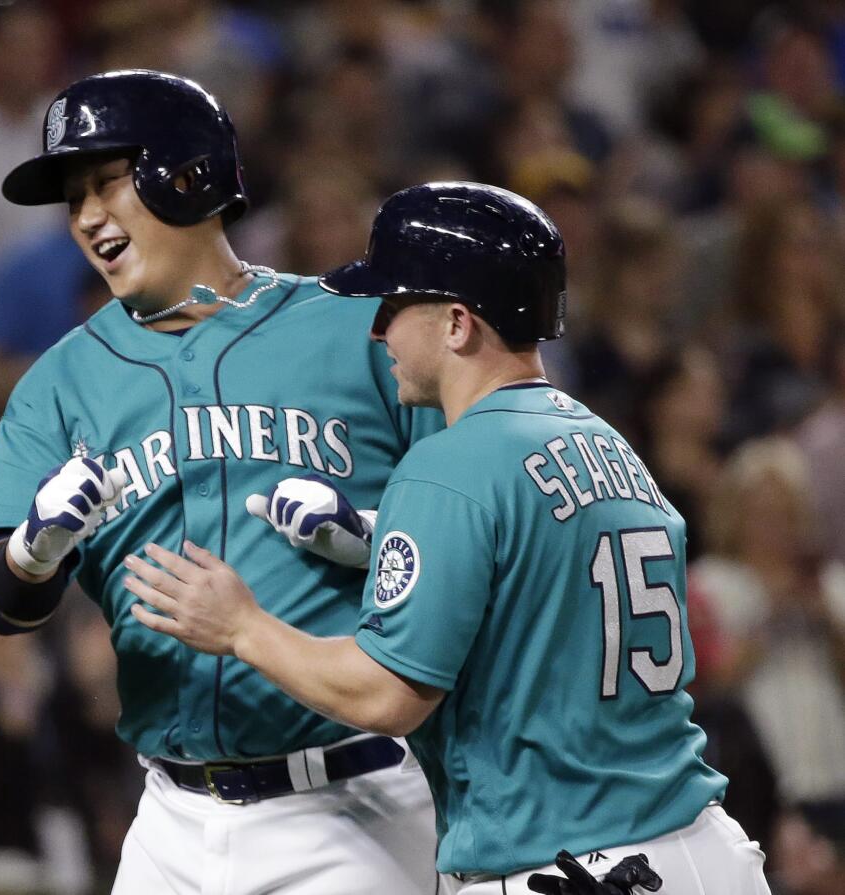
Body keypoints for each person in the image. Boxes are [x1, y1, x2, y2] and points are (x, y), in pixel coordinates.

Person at [123, 182, 772, 894]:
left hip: (571, 863)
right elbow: (533, 589)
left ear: (458, 323)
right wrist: (378, 541)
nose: (377, 331)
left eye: (396, 306)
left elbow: (387, 696)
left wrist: (242, 626)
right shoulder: (606, 442)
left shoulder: (448, 464)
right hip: (703, 850)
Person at [0, 69, 441, 894]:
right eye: (73, 199)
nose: (88, 217)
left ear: (188, 172)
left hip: (355, 797)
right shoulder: (62, 381)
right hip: (170, 819)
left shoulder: (362, 331)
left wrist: (380, 536)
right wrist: (31, 555)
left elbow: (496, 527)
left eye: (106, 183)